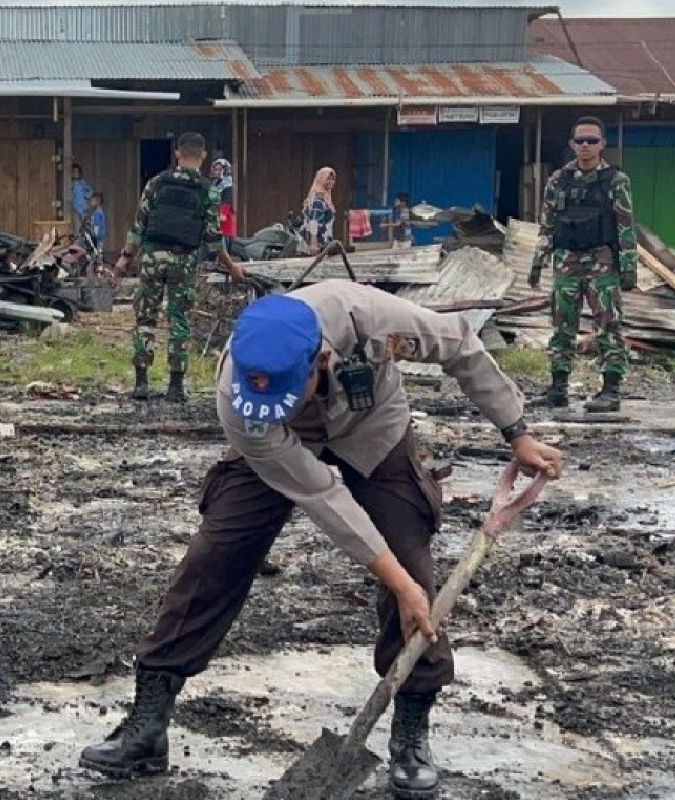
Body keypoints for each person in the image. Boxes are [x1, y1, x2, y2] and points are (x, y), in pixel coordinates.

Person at [79, 281, 562, 797]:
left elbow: (461, 344)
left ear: (322, 361)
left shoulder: (374, 318)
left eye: (288, 394)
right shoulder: (243, 401)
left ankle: (410, 731)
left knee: (410, 558)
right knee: (215, 555)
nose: (277, 404)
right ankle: (147, 724)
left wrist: (517, 431)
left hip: (372, 428)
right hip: (279, 449)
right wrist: (396, 584)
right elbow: (322, 494)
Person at [113, 132, 244, 403]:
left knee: (145, 318)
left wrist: (125, 259)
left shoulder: (157, 183)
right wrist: (232, 267)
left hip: (152, 258)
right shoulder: (209, 190)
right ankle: (175, 386)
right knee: (179, 321)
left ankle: (141, 384)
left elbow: (139, 226)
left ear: (177, 153)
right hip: (184, 261)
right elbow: (213, 238)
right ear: (204, 156)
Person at [529, 116, 637, 413]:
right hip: (567, 262)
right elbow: (547, 223)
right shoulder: (558, 180)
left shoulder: (615, 180)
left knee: (608, 326)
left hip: (601, 261)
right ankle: (558, 389)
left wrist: (628, 267)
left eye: (592, 141)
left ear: (602, 144)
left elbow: (626, 226)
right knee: (562, 327)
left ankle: (611, 390)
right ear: (571, 144)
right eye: (580, 141)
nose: (586, 146)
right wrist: (538, 262)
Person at [302, 167, 337, 254]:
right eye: (328, 179)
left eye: (333, 179)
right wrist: (313, 243)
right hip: (319, 244)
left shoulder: (326, 197)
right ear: (321, 179)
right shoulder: (319, 199)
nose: (331, 182)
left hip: (324, 243)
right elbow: (314, 220)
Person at [210, 158, 237, 245]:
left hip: (224, 219)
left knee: (225, 242)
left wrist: (221, 215)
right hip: (214, 217)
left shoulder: (227, 185)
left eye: (220, 169)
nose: (217, 172)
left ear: (225, 170)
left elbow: (226, 203)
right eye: (216, 169)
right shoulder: (214, 184)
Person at [71, 163, 94, 233]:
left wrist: (87, 195)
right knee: (77, 229)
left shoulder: (82, 182)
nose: (75, 173)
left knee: (86, 228)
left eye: (77, 172)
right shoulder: (71, 183)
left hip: (84, 209)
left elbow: (91, 190)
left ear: (79, 173)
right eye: (73, 172)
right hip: (76, 210)